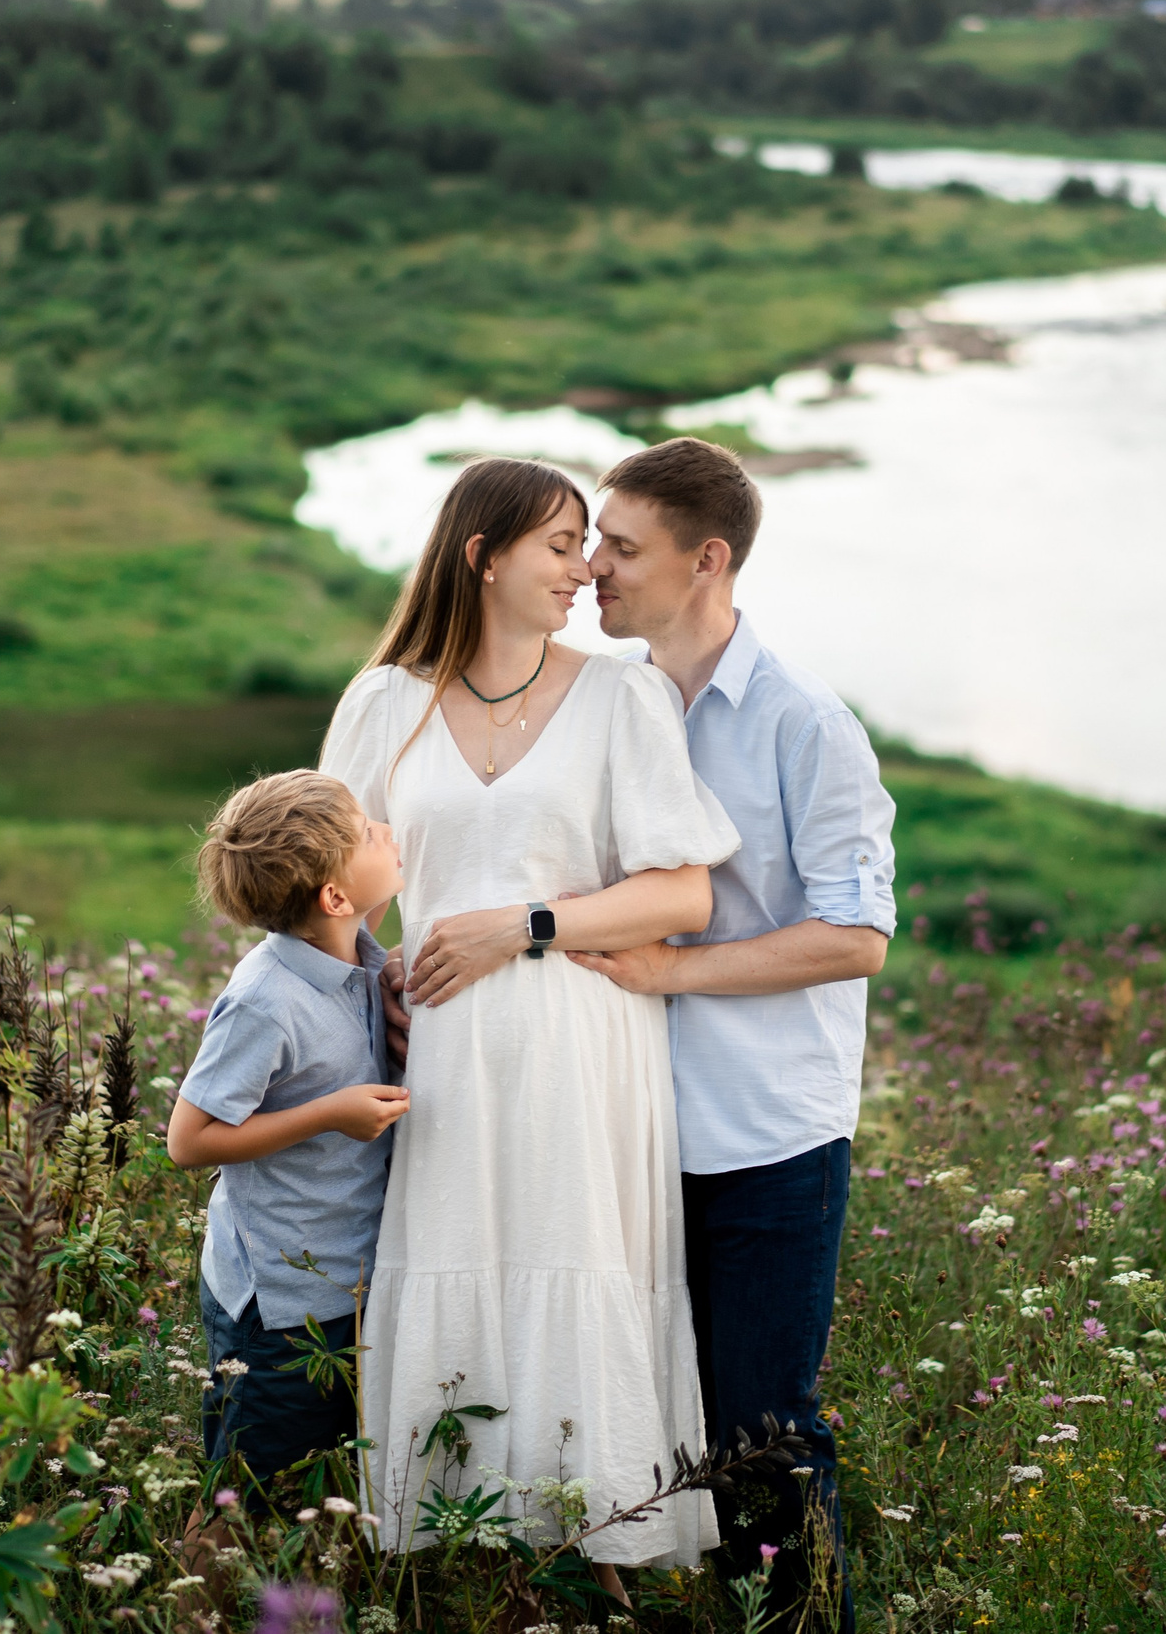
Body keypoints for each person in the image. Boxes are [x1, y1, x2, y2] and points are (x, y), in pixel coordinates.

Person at [320, 456, 739, 1591]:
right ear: (481, 557)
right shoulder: (383, 704)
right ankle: (463, 1567)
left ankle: (599, 1560)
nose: (583, 570)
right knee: (456, 1256)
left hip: (580, 1042)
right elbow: (333, 888)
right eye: (560, 547)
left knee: (572, 1262)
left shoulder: (619, 695)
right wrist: (375, 971)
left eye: (588, 546)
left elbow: (685, 893)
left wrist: (525, 922)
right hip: (445, 1050)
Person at [568, 436, 897, 1632]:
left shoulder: (806, 723)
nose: (592, 566)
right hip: (628, 1122)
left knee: (759, 1428)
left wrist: (671, 968)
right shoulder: (609, 702)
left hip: (765, 1135)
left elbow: (855, 937)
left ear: (706, 560)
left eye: (620, 545)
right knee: (634, 1414)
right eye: (594, 542)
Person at [167, 769, 413, 1494]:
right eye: (370, 833)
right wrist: (329, 1112)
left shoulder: (358, 961)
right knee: (253, 1492)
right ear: (335, 897)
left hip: (341, 1282)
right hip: (274, 1308)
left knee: (328, 1485)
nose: (390, 833)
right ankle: (210, 1596)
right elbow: (189, 1138)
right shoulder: (266, 1000)